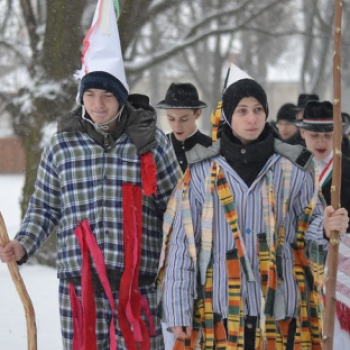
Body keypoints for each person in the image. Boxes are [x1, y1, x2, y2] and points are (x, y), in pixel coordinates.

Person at [0, 1, 181, 349]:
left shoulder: (151, 142)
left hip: (138, 286)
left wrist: (175, 274)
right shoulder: (62, 146)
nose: (98, 104)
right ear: (82, 96)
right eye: (91, 94)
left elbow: (176, 210)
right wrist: (23, 244)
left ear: (122, 98)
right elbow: (45, 207)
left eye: (108, 95)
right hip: (79, 288)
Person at [159, 78, 349, 350]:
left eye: (258, 109)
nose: (252, 118)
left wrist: (328, 225)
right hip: (221, 311)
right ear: (228, 116)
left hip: (278, 310)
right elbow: (183, 245)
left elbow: (307, 230)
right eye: (243, 110)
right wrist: (178, 309)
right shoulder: (202, 172)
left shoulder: (293, 169)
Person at [296, 100, 350, 349]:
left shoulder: (347, 169)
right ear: (302, 132)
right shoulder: (292, 170)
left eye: (328, 135)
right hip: (301, 270)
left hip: (339, 272)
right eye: (315, 134)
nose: (321, 142)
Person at [156, 82, 212, 173]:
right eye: (171, 119)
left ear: (198, 114)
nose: (177, 125)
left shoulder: (212, 148)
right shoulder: (159, 147)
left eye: (184, 119)